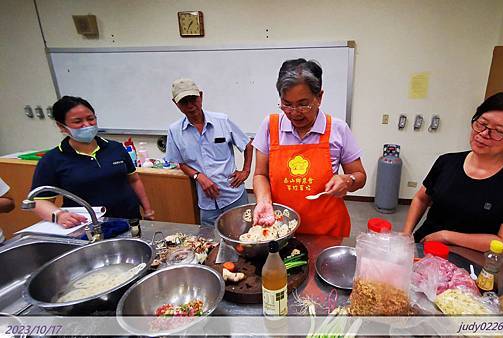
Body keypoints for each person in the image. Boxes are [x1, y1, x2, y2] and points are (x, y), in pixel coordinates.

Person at [402, 91, 503, 255]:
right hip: (425, 248)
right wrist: (407, 234)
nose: (483, 134)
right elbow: (421, 198)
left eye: (499, 131)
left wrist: (447, 236)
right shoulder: (447, 162)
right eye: (482, 123)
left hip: (475, 261)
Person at [252, 59, 366, 237]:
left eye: (303, 104)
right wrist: (264, 201)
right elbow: (260, 174)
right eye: (287, 104)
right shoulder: (270, 126)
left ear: (319, 97)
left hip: (326, 231)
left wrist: (348, 180)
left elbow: (360, 176)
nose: (295, 112)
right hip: (281, 228)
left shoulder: (338, 128)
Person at [31, 96, 155, 227]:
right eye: (78, 121)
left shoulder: (115, 148)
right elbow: (39, 201)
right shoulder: (52, 160)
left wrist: (147, 209)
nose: (87, 125)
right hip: (87, 227)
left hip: (129, 220)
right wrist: (59, 215)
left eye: (90, 119)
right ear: (61, 126)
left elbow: (134, 180)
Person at [165, 78, 253, 226]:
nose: (190, 106)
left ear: (201, 96)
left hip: (233, 195)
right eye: (184, 102)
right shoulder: (174, 131)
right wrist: (198, 176)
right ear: (175, 103)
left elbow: (247, 145)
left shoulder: (222, 121)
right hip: (207, 202)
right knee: (210, 242)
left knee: (244, 237)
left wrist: (246, 171)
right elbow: (180, 162)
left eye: (193, 99)